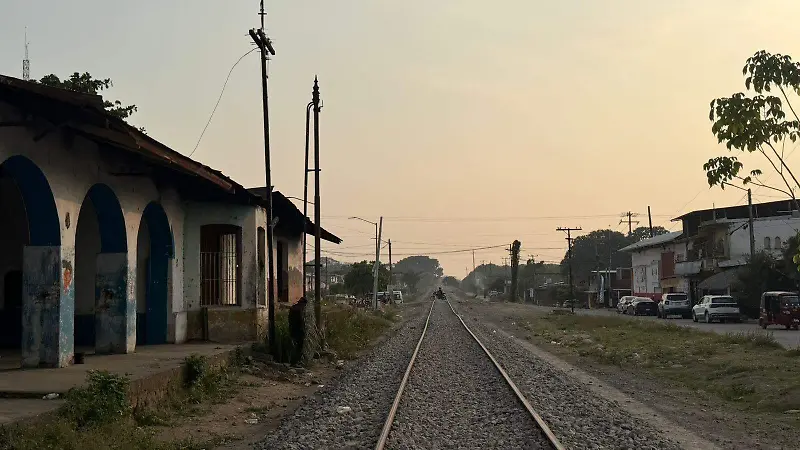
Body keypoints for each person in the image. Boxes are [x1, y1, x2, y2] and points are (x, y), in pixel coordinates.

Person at [288, 296, 308, 365]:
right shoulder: (300, 310)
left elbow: (289, 320)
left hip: (292, 330)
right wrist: (303, 330)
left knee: (293, 347)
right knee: (299, 347)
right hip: (299, 331)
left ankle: (293, 362)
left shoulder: (293, 308)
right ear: (303, 304)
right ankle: (295, 362)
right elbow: (301, 322)